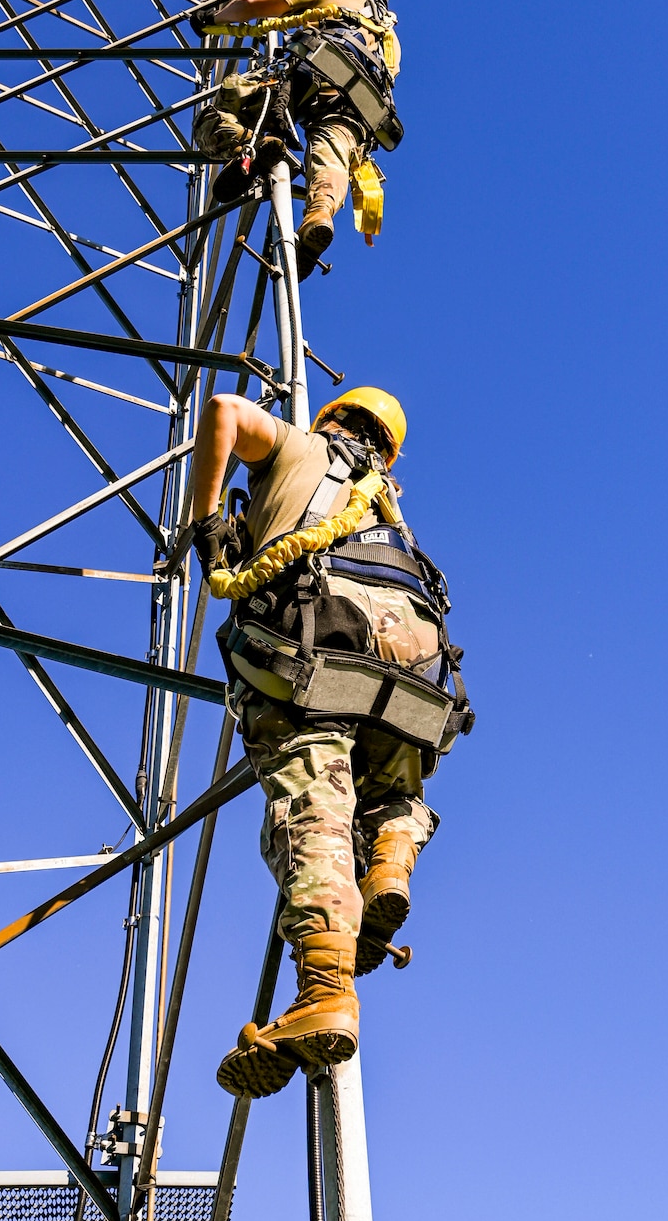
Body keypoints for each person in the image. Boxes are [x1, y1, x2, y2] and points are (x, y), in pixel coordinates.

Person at [187, 384, 471, 1098]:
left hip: (317, 659)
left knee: (315, 811)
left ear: (329, 420)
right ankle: (389, 868)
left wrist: (207, 522)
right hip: (411, 675)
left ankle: (323, 993)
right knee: (393, 793)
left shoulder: (301, 448)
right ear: (388, 445)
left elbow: (222, 410)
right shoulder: (391, 512)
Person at [190, 0, 401, 276]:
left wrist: (211, 20)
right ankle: (319, 215)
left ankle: (252, 145)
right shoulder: (391, 38)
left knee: (213, 118)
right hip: (359, 108)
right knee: (331, 161)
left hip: (312, 70)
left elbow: (255, 4)